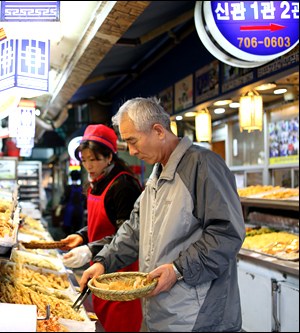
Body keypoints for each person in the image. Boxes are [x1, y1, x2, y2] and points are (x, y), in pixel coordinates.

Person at [80, 97, 245, 332]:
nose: (133, 152)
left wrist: (178, 269)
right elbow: (134, 230)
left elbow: (227, 234)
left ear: (158, 131)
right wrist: (103, 262)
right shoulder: (157, 175)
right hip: (161, 313)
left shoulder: (203, 165)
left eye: (133, 142)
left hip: (198, 317)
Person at [60, 124, 143, 332]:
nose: (89, 165)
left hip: (121, 273)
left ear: (109, 157)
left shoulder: (123, 185)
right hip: (99, 269)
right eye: (85, 160)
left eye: (94, 159)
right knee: (103, 321)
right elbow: (100, 222)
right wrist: (81, 236)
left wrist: (90, 249)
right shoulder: (97, 182)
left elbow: (128, 234)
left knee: (121, 323)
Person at [56, 170, 84, 234]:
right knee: (77, 230)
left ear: (70, 177)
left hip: (69, 210)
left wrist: (60, 205)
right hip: (79, 211)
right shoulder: (82, 188)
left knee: (68, 230)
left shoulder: (68, 188)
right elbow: (84, 199)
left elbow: (64, 198)